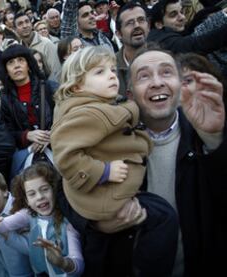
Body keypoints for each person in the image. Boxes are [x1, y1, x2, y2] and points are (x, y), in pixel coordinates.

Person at [51, 45, 178, 276]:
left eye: (112, 70)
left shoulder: (202, 135)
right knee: (164, 216)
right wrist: (103, 171)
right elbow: (64, 158)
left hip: (111, 202)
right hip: (107, 200)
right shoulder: (91, 113)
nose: (111, 75)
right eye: (99, 72)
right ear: (77, 85)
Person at [126, 46, 227, 276]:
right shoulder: (112, 142)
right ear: (130, 94)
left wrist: (214, 139)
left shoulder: (207, 130)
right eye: (144, 76)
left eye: (166, 72)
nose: (156, 82)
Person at [0, 162, 85, 277]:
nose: (40, 197)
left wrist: (63, 263)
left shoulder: (68, 224)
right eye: (32, 194)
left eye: (44, 189)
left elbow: (78, 267)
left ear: (54, 189)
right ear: (26, 200)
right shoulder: (28, 214)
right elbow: (4, 225)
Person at [14, 12, 62, 81]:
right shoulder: (19, 49)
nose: (25, 26)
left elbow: (56, 72)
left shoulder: (46, 43)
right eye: (20, 24)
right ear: (15, 29)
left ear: (31, 24)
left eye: (27, 22)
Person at [115, 1, 150, 96]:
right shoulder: (111, 68)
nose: (137, 26)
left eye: (141, 20)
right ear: (118, 34)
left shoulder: (164, 60)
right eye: (130, 23)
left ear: (148, 26)